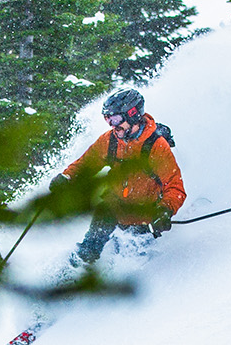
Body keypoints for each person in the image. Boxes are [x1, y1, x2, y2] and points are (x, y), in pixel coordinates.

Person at [53, 88, 186, 265]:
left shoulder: (156, 146)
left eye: (115, 119)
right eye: (107, 119)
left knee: (133, 259)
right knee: (94, 235)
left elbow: (175, 186)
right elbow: (87, 163)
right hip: (114, 207)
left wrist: (164, 211)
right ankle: (79, 266)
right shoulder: (110, 140)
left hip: (144, 215)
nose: (112, 125)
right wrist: (67, 177)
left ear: (132, 115)